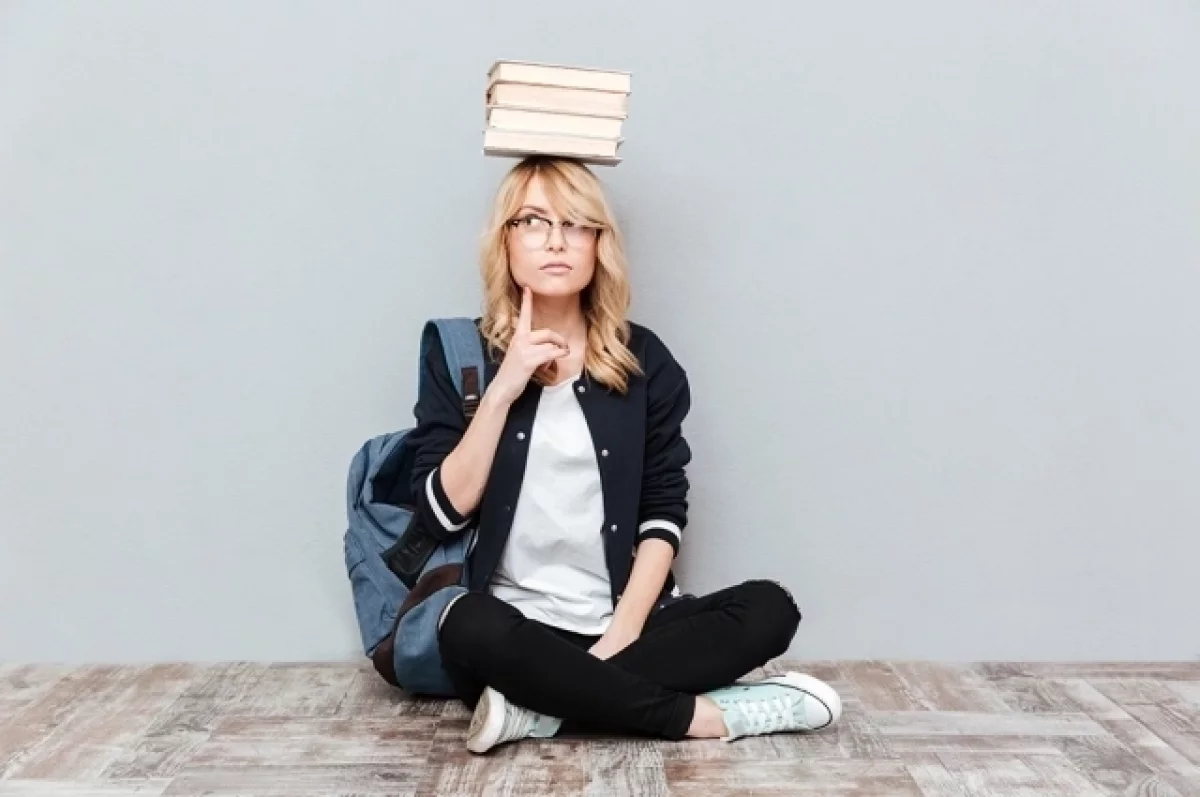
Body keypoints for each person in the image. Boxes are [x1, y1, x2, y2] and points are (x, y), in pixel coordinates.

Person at [403, 156, 842, 754]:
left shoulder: (644, 361)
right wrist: (505, 388)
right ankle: (701, 717)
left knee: (769, 608)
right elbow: (440, 513)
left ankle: (540, 710)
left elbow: (663, 510)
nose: (556, 240)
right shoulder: (460, 355)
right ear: (504, 240)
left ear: (598, 244)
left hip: (624, 623)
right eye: (532, 221)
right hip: (514, 632)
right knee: (465, 624)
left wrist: (623, 630)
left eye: (576, 223)